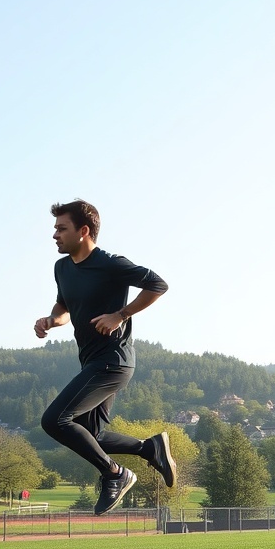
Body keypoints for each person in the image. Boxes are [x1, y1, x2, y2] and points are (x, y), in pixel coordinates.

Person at [34, 200, 175, 515]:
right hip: (93, 362)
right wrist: (51, 321)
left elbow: (158, 284)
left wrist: (121, 314)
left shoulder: (110, 264)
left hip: (113, 360)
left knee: (55, 420)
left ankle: (115, 473)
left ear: (83, 231)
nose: (54, 235)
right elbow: (63, 307)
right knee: (92, 434)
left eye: (61, 228)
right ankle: (149, 448)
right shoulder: (63, 268)